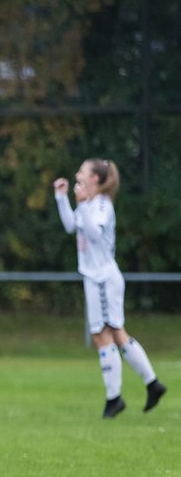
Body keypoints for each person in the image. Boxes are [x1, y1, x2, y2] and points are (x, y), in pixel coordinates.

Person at [54, 159, 166, 418]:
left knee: (106, 334)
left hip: (103, 278)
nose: (77, 175)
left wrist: (81, 205)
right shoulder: (90, 204)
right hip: (95, 277)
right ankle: (150, 384)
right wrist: (62, 199)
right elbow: (72, 226)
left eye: (82, 171)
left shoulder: (102, 205)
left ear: (95, 179)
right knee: (113, 335)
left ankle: (116, 398)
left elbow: (94, 235)